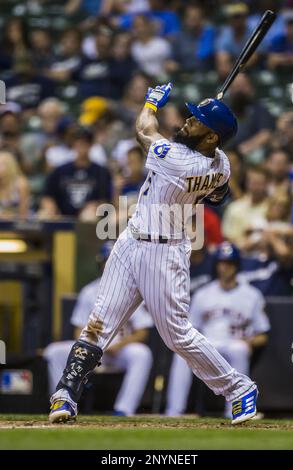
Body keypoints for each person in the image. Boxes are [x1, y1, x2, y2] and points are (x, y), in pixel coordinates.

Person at [49, 82, 258, 426]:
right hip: (131, 241)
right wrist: (208, 117)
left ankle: (239, 388)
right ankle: (65, 394)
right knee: (98, 323)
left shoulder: (178, 159)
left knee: (176, 334)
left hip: (165, 253)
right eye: (192, 115)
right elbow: (221, 193)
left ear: (211, 138)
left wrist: (150, 103)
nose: (188, 121)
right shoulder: (221, 162)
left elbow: (143, 130)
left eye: (197, 121)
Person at [44, 242, 153, 416]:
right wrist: (93, 349)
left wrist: (118, 345)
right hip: (92, 346)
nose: (109, 265)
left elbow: (143, 331)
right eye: (106, 261)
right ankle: (61, 400)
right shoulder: (89, 291)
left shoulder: (134, 289)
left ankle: (124, 409)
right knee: (54, 351)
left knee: (141, 354)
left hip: (120, 349)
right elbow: (78, 330)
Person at [165, 242, 270, 418]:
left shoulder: (252, 295)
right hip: (208, 343)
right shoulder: (203, 294)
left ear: (236, 266)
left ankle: (235, 410)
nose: (225, 268)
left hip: (234, 343)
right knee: (181, 354)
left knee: (239, 349)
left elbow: (263, 334)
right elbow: (189, 328)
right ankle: (174, 411)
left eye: (229, 263)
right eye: (221, 263)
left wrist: (250, 342)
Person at [39, 128, 111, 220]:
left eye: (85, 143)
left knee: (88, 216)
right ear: (73, 144)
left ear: (91, 145)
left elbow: (105, 200)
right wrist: (50, 207)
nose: (81, 146)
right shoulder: (60, 171)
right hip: (61, 214)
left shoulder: (101, 172)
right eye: (78, 142)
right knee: (43, 215)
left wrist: (96, 205)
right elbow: (47, 196)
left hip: (89, 215)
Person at [222, 166, 270, 247]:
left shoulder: (271, 208)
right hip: (237, 252)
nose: (256, 187)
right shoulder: (234, 207)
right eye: (253, 183)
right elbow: (227, 236)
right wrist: (243, 245)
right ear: (247, 183)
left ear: (266, 185)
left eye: (260, 184)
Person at [0, 150, 30, 219]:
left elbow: (24, 214)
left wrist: (8, 216)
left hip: (17, 224)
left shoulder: (20, 183)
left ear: (9, 166)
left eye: (1, 165)